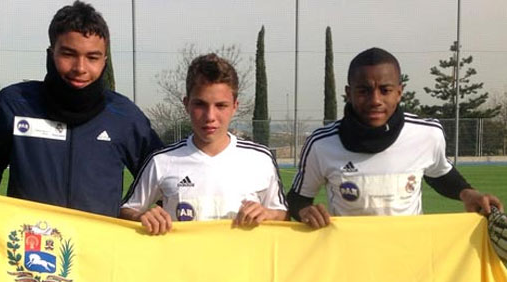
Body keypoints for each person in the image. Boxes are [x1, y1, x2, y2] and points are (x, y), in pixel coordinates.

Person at [0, 1, 162, 217]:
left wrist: (144, 211)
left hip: (98, 256)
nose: (80, 67)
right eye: (69, 54)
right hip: (31, 252)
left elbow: (168, 177)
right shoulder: (15, 104)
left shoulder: (124, 116)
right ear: (51, 54)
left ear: (104, 62)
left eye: (92, 57)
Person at [287, 47, 503, 228]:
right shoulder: (321, 143)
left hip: (408, 261)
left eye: (385, 90)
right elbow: (298, 198)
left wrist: (469, 194)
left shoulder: (427, 134)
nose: (375, 100)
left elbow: (440, 174)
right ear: (348, 93)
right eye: (364, 91)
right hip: (350, 264)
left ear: (399, 92)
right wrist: (304, 211)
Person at [119, 53, 288, 234]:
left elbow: (284, 216)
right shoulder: (162, 161)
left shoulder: (260, 159)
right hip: (183, 262)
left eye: (221, 105)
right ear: (186, 104)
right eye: (200, 104)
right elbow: (126, 211)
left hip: (243, 262)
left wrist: (269, 214)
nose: (210, 117)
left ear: (235, 106)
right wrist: (140, 217)